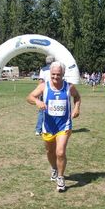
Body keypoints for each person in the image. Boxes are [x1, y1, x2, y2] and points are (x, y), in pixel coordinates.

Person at [27, 61, 81, 192]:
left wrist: (77, 108)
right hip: (48, 126)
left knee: (60, 152)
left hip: (64, 125)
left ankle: (61, 178)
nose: (55, 77)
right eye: (53, 75)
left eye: (58, 75)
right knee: (50, 151)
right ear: (49, 74)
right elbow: (29, 97)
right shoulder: (43, 87)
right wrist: (37, 101)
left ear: (63, 74)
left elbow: (77, 97)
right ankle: (54, 168)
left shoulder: (69, 87)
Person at [35, 55, 55, 136]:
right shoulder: (55, 69)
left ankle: (38, 130)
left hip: (44, 92)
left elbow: (41, 82)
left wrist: (39, 93)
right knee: (53, 111)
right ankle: (50, 128)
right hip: (53, 92)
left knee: (41, 111)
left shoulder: (43, 70)